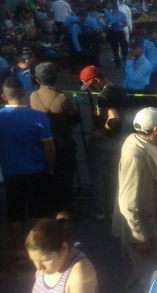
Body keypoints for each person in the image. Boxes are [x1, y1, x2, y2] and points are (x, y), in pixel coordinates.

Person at [114, 108, 157, 292]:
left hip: (150, 222)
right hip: (144, 226)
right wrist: (139, 237)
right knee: (153, 274)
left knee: (144, 272)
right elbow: (127, 202)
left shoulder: (140, 142)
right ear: (155, 129)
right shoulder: (135, 155)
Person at [0, 78, 55, 259]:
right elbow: (48, 149)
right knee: (38, 214)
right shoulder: (39, 117)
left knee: (15, 215)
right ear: (24, 93)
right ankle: (39, 251)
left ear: (3, 97)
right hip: (36, 172)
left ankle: (18, 252)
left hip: (10, 174)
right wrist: (51, 168)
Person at [80, 66, 129, 221]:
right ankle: (116, 209)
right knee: (116, 176)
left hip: (104, 140)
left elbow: (113, 117)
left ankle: (100, 210)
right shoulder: (120, 90)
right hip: (117, 140)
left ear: (96, 80)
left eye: (90, 85)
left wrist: (103, 131)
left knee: (98, 177)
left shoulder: (104, 96)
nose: (91, 89)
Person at [30, 63, 79, 216]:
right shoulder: (62, 98)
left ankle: (52, 207)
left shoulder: (33, 96)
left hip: (43, 145)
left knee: (49, 177)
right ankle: (65, 210)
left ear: (37, 80)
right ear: (55, 78)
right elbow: (74, 118)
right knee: (65, 179)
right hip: (63, 144)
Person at [26, 213, 98, 293]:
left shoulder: (81, 273)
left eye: (45, 260)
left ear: (64, 249)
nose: (39, 268)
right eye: (34, 260)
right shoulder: (44, 268)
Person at [123, 38, 152, 108]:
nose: (131, 50)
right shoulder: (132, 59)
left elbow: (133, 77)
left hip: (139, 93)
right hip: (128, 91)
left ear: (141, 49)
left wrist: (129, 62)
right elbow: (127, 77)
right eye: (130, 47)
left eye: (135, 48)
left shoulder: (145, 64)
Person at [105, 3, 128, 68]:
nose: (114, 10)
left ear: (117, 8)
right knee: (115, 49)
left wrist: (120, 24)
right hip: (112, 33)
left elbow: (125, 24)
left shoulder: (122, 14)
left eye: (115, 9)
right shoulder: (108, 15)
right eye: (113, 9)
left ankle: (126, 60)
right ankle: (117, 63)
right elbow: (106, 23)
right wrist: (110, 24)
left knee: (124, 48)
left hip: (120, 32)